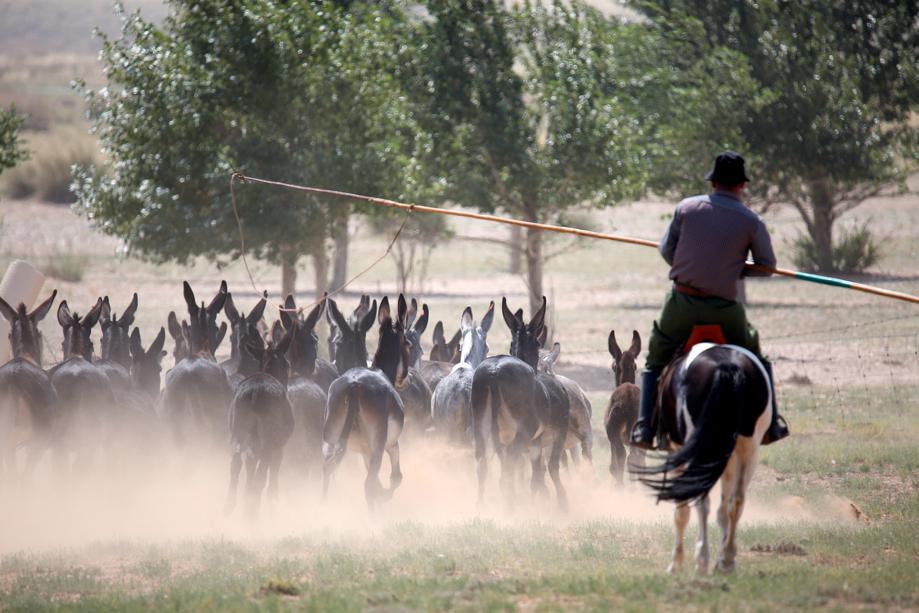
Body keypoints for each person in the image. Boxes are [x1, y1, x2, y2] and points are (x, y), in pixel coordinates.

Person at [630, 151, 789, 450]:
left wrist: (694, 265)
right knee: (756, 356)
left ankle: (645, 429)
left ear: (713, 181)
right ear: (742, 185)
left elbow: (667, 251)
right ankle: (773, 424)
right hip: (725, 309)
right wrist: (735, 267)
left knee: (655, 359)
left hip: (682, 303)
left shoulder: (687, 208)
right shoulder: (751, 221)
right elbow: (767, 267)